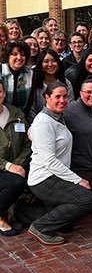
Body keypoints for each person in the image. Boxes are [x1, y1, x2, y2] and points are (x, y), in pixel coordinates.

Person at [27, 82, 92, 245]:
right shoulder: (44, 122)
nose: (62, 100)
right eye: (57, 96)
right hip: (44, 178)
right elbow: (49, 161)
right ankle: (39, 227)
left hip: (56, 176)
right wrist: (77, 180)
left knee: (67, 226)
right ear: (47, 97)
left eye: (65, 96)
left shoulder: (58, 117)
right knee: (87, 200)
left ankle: (32, 214)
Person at [64, 80, 92, 210]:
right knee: (80, 207)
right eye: (88, 92)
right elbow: (51, 118)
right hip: (78, 170)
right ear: (80, 93)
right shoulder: (69, 110)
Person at [0, 80, 31, 236]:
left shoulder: (16, 114)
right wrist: (7, 166)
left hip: (16, 166)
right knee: (16, 182)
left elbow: (27, 143)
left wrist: (17, 165)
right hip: (2, 168)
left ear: (4, 94)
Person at [27, 49, 74, 121]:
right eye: (46, 61)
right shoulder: (34, 83)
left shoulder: (65, 82)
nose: (50, 64)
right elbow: (31, 108)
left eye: (53, 61)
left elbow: (70, 106)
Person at [0, 41, 33, 112]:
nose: (19, 57)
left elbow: (31, 100)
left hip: (21, 115)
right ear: (7, 56)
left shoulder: (30, 73)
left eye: (23, 55)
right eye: (15, 54)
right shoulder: (0, 70)